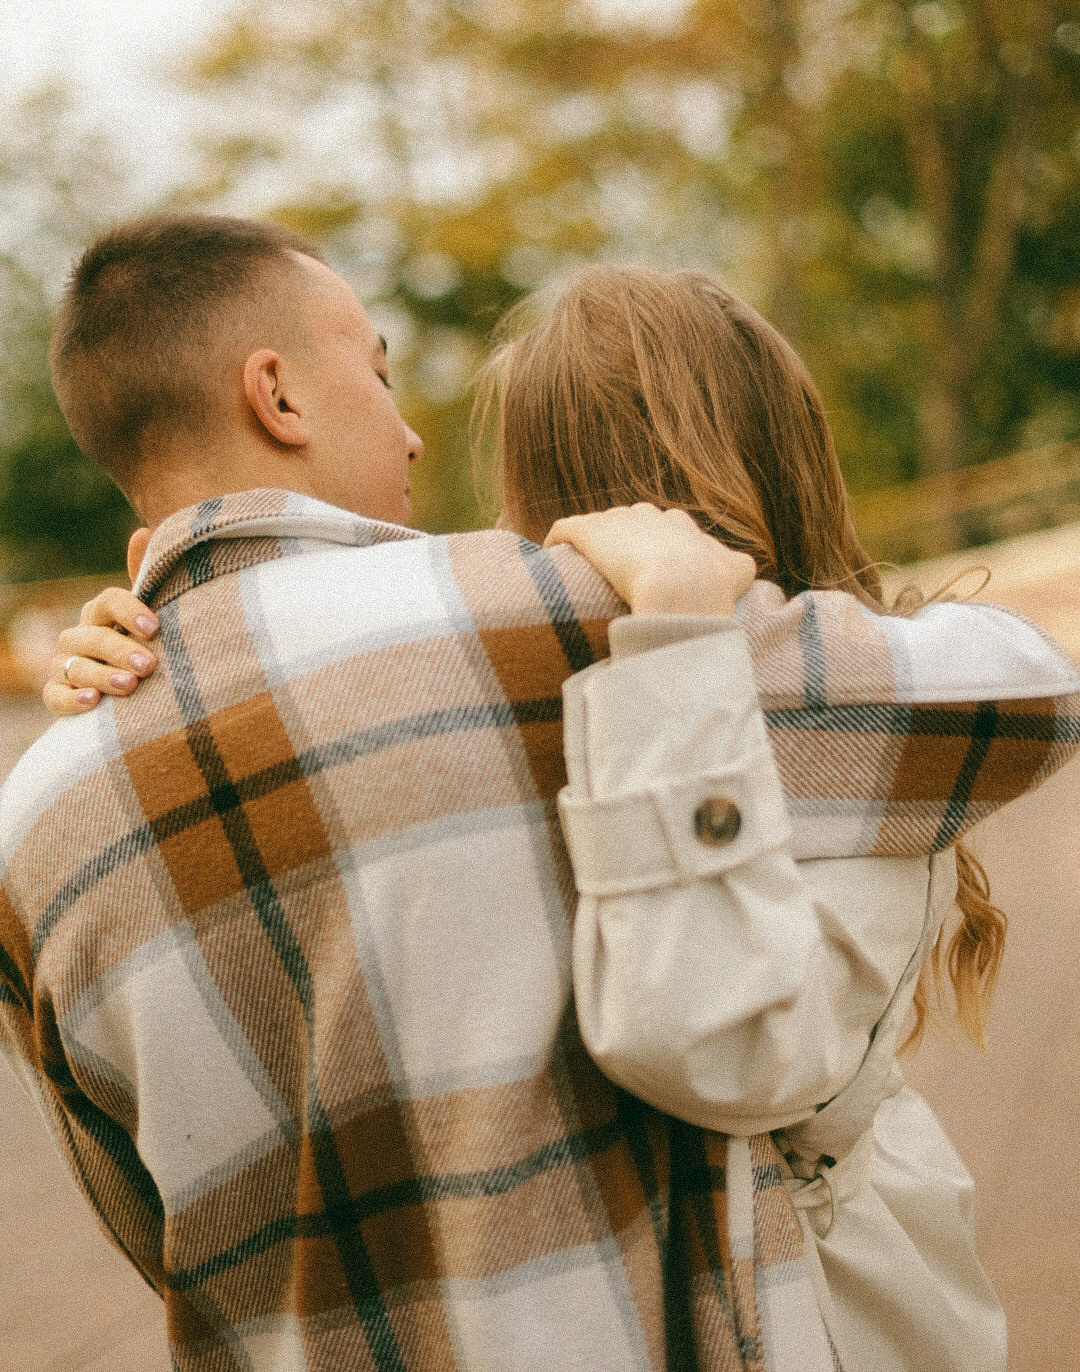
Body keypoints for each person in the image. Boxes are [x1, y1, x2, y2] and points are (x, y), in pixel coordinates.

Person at [39, 240, 1080, 1371]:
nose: (413, 433)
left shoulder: (36, 816)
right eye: (381, 375)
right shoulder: (542, 637)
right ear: (277, 392)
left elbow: (160, 1231)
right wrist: (675, 632)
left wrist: (160, 646)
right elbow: (1027, 685)